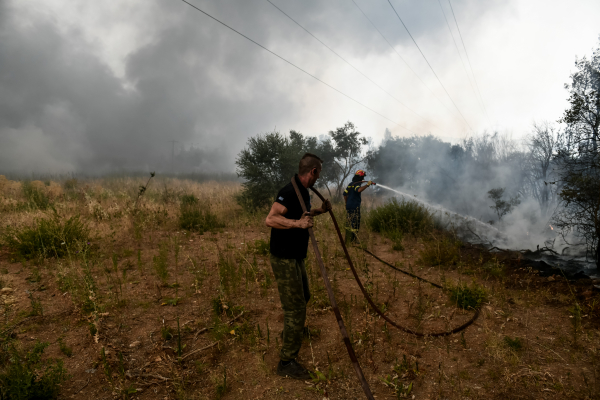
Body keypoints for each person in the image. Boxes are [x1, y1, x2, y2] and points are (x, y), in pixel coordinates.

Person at [265, 153, 332, 380]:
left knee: (304, 296)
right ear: (312, 172)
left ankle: (292, 331)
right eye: (319, 173)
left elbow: (302, 213)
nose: (319, 177)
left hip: (295, 256)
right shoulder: (288, 191)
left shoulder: (303, 192)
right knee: (295, 307)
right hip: (284, 258)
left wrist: (320, 212)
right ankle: (286, 362)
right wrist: (298, 224)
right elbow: (271, 219)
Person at [343, 169, 375, 244]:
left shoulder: (351, 184)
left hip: (349, 206)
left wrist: (347, 203)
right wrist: (367, 185)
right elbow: (358, 190)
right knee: (355, 223)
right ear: (360, 177)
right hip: (355, 207)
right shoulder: (356, 185)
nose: (363, 178)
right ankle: (353, 240)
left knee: (348, 222)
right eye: (362, 177)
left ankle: (347, 239)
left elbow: (344, 194)